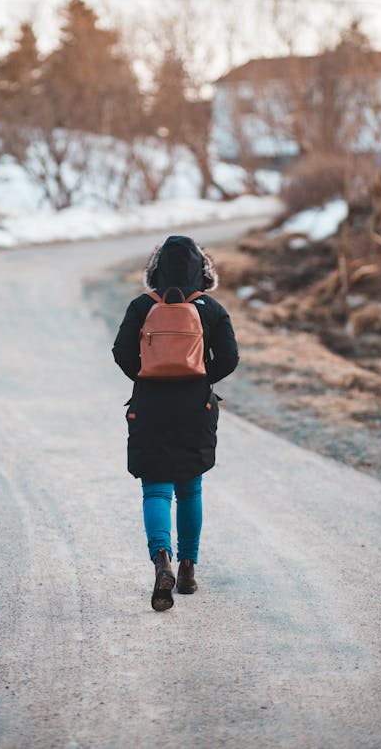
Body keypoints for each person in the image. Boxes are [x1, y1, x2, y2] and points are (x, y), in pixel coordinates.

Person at [112, 235, 238, 611]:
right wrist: (201, 377)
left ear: (155, 271)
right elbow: (229, 358)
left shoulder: (141, 305)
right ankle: (187, 569)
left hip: (150, 404)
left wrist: (147, 374)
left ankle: (161, 560)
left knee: (156, 490)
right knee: (190, 489)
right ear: (202, 271)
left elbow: (121, 353)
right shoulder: (211, 309)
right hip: (194, 405)